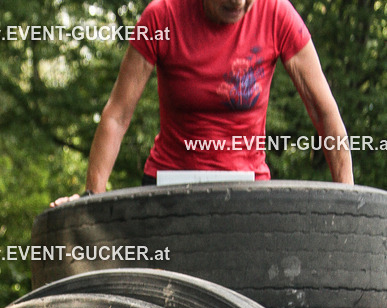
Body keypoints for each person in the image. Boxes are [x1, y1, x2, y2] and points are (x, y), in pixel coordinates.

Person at [51, 0, 352, 206]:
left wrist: (349, 201)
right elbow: (117, 115)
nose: (238, 3)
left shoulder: (276, 13)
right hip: (167, 189)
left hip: (248, 188)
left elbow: (324, 113)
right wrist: (92, 198)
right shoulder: (162, 15)